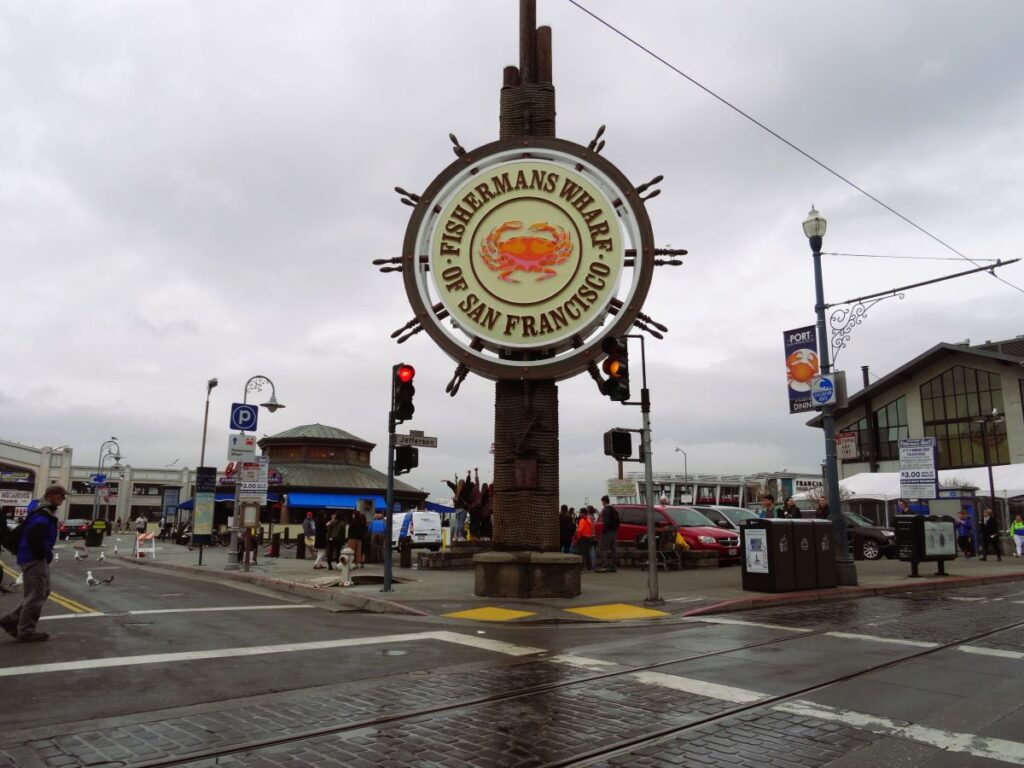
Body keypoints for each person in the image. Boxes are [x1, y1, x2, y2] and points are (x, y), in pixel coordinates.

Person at [1, 485, 64, 642]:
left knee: (41, 592)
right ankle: (26, 630)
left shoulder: (40, 510)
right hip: (33, 557)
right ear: (52, 495)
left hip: (30, 556)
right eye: (61, 496)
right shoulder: (42, 513)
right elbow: (34, 536)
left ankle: (11, 619)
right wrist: (44, 554)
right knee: (36, 595)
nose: (63, 499)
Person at [596, 495, 620, 572]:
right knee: (613, 549)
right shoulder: (614, 509)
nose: (602, 503)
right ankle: (614, 566)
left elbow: (606, 522)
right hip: (614, 531)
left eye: (602, 502)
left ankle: (605, 565)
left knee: (602, 548)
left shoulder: (606, 510)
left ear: (604, 501)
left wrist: (604, 531)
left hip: (607, 532)